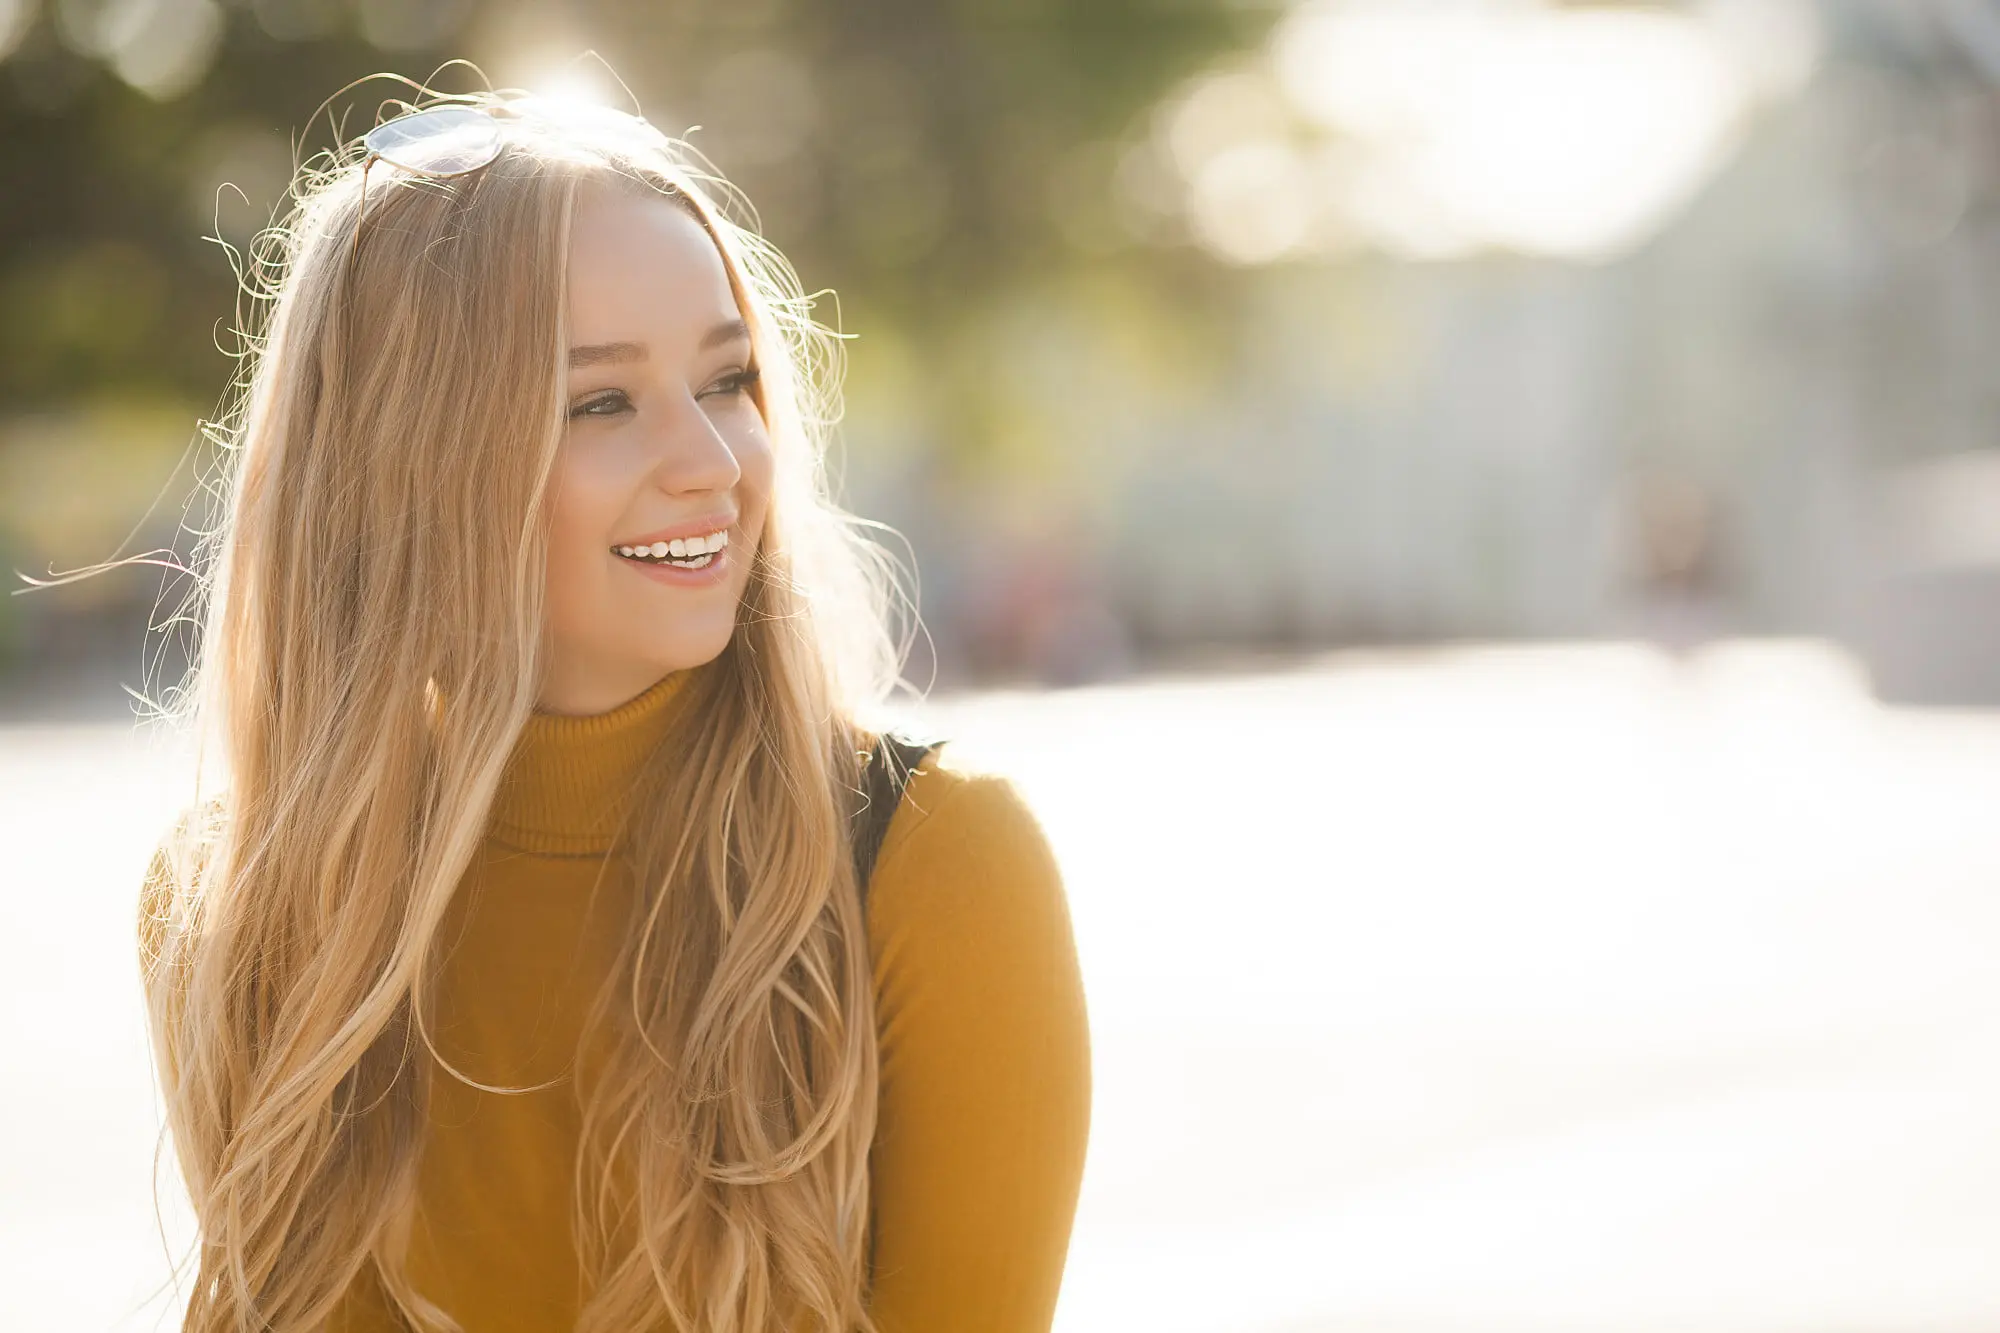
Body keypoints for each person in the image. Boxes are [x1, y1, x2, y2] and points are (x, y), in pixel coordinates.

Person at [135, 82, 1091, 1333]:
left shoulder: (938, 863)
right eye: (599, 401)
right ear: (403, 461)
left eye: (729, 379)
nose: (710, 460)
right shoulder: (237, 906)